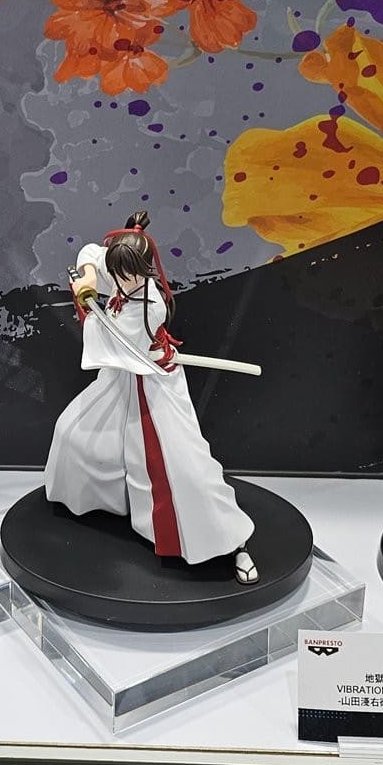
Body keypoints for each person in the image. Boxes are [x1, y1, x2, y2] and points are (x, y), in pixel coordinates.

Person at [46, 212, 257, 583]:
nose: (122, 281)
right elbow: (90, 253)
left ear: (143, 269)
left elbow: (109, 339)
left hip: (153, 383)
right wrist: (90, 278)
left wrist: (86, 304)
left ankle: (231, 541)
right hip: (122, 379)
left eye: (129, 274)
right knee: (72, 432)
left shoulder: (150, 304)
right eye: (117, 273)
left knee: (184, 467)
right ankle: (97, 503)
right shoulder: (119, 268)